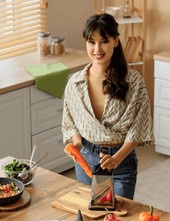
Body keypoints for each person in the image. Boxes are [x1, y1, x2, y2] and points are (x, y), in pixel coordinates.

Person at [62, 13, 154, 200]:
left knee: (119, 216)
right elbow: (70, 119)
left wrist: (117, 158)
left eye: (104, 41)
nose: (97, 49)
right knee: (89, 217)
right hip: (86, 159)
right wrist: (77, 144)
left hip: (121, 161)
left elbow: (139, 127)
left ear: (115, 41)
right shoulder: (75, 82)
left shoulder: (134, 82)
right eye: (91, 42)